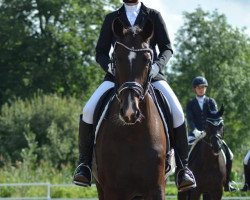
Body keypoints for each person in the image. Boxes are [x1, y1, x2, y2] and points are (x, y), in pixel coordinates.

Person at [73, 0, 196, 192]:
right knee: (88, 109)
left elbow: (167, 48)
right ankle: (85, 165)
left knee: (178, 112)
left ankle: (183, 169)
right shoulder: (112, 18)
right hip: (118, 76)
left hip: (150, 75)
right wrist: (109, 67)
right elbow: (101, 52)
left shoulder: (153, 16)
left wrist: (156, 67)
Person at [186, 76, 237, 192]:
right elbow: (189, 119)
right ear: (195, 89)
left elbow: (215, 116)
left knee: (230, 154)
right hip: (195, 134)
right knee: (185, 153)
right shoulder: (191, 103)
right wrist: (195, 130)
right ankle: (185, 178)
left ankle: (227, 182)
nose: (201, 89)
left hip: (211, 134)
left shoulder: (211, 101)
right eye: (199, 87)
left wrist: (212, 131)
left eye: (203, 87)